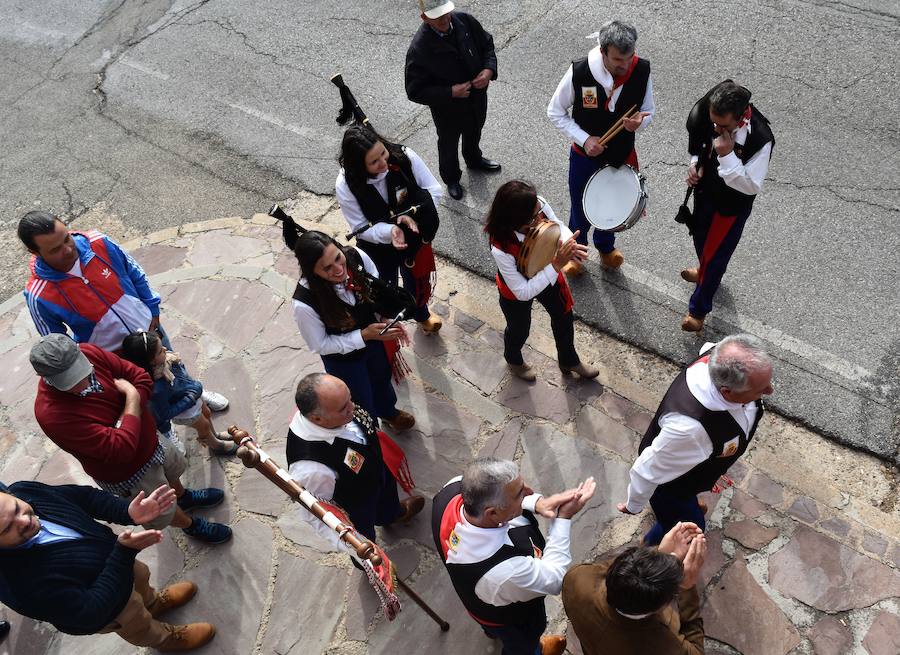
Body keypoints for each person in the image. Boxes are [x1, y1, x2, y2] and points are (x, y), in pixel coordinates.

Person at [29, 333, 232, 544]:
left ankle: (183, 497)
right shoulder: (52, 416)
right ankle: (191, 526)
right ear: (48, 379)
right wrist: (132, 400)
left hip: (152, 439)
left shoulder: (88, 352)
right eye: (70, 381)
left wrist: (125, 424)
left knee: (173, 469)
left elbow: (140, 376)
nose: (81, 382)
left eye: (81, 371)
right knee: (162, 509)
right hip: (130, 472)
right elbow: (121, 449)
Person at [17, 211, 228, 410]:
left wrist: (152, 306)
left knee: (174, 366)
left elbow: (134, 272)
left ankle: (195, 392)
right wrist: (94, 365)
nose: (68, 249)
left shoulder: (98, 243)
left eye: (66, 238)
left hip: (149, 331)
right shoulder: (38, 295)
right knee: (146, 394)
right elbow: (57, 343)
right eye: (55, 249)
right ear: (34, 252)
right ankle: (162, 427)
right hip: (114, 355)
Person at [0, 479, 215, 651]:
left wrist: (127, 512)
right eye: (8, 527)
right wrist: (123, 553)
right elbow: (91, 611)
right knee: (138, 625)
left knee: (141, 580)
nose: (24, 520)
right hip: (111, 608)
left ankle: (153, 603)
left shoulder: (23, 491)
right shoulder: (20, 586)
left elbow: (84, 498)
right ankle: (166, 640)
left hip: (121, 562)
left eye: (18, 508)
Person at [617, 335, 773, 545]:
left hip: (693, 474)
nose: (770, 391)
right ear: (727, 391)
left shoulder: (719, 354)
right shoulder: (690, 430)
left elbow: (707, 347)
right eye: (760, 389)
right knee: (691, 527)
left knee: (688, 508)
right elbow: (647, 469)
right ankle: (651, 544)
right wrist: (634, 504)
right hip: (671, 488)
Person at [432, 457, 596, 655]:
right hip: (510, 619)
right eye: (520, 494)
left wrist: (538, 503)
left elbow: (507, 498)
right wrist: (563, 518)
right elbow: (555, 578)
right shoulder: (503, 571)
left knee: (491, 625)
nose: (529, 491)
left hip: (478, 601)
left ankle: (491, 632)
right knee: (522, 646)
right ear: (492, 513)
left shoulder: (455, 488)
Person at [547, 20, 654, 272]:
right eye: (618, 59)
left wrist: (638, 124)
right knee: (580, 209)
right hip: (584, 157)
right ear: (604, 50)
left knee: (612, 206)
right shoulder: (580, 72)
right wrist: (585, 139)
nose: (625, 65)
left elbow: (648, 111)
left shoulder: (642, 71)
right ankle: (576, 252)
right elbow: (555, 112)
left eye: (629, 57)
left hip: (620, 155)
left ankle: (606, 247)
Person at [292, 230, 415, 430]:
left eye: (338, 258)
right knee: (358, 398)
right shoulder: (304, 304)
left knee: (382, 377)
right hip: (345, 361)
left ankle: (387, 412)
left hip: (375, 341)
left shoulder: (355, 256)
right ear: (312, 271)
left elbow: (375, 284)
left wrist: (384, 315)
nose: (340, 269)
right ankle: (371, 432)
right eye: (327, 268)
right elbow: (320, 345)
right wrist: (363, 335)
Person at [286, 373, 424, 545]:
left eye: (350, 398)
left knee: (386, 492)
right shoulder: (311, 468)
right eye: (344, 408)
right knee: (364, 536)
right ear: (317, 419)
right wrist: (357, 547)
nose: (353, 407)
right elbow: (318, 515)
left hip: (374, 469)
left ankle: (392, 514)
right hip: (357, 507)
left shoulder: (337, 402)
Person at [680, 81, 774, 332]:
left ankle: (698, 310)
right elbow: (699, 141)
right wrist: (695, 165)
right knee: (700, 240)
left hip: (731, 207)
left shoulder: (761, 139)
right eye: (714, 122)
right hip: (705, 194)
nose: (716, 128)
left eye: (723, 126)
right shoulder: (709, 114)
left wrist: (726, 156)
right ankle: (704, 271)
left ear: (742, 116)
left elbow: (751, 186)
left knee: (716, 256)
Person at [484, 180, 599, 382]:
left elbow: (558, 227)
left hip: (549, 272)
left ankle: (568, 359)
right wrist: (556, 265)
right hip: (519, 288)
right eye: (534, 216)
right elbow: (523, 291)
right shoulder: (500, 247)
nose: (540, 216)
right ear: (516, 220)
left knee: (564, 317)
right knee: (519, 329)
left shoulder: (538, 205)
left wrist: (568, 243)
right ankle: (514, 359)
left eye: (539, 210)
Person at [336, 124, 443, 333]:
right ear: (358, 165)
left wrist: (414, 217)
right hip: (377, 247)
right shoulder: (346, 184)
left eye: (383, 153)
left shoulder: (404, 156)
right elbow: (359, 227)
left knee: (418, 281)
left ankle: (421, 313)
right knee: (384, 287)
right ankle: (388, 321)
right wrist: (390, 231)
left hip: (413, 237)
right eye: (374, 162)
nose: (384, 163)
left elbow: (434, 190)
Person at [562, 522, 707, 654]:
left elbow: (617, 569)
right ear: (661, 607)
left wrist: (658, 556)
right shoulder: (662, 646)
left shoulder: (575, 579)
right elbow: (696, 651)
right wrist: (687, 588)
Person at [405, 0, 500, 200]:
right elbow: (415, 91)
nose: (444, 19)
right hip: (447, 110)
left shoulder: (464, 21)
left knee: (475, 130)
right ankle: (451, 179)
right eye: (437, 16)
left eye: (446, 13)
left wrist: (488, 70)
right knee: (448, 144)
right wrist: (450, 92)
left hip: (476, 99)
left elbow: (487, 45)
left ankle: (474, 159)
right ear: (424, 18)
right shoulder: (419, 49)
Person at [120, 330, 238, 457]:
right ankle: (216, 445)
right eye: (160, 351)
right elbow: (165, 413)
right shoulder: (157, 388)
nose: (165, 349)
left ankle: (215, 435)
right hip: (186, 410)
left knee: (207, 413)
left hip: (192, 395)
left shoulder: (167, 362)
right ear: (150, 361)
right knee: (203, 426)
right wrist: (190, 398)